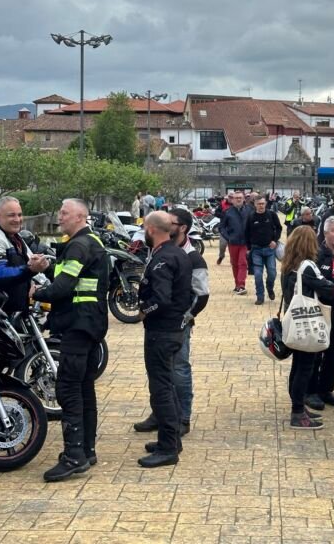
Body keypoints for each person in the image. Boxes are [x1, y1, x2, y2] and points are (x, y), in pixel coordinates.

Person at [33, 199, 109, 482]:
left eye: (64, 213)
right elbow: (71, 276)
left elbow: (64, 287)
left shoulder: (78, 245)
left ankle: (74, 455)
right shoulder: (90, 242)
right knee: (85, 386)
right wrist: (47, 268)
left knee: (68, 388)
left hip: (78, 324)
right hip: (91, 323)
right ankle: (86, 450)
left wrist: (35, 293)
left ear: (80, 217)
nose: (60, 216)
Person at [133, 208, 209, 437]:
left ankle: (182, 417)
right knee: (160, 374)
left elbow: (202, 295)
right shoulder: (161, 250)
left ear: (182, 227)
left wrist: (185, 318)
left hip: (175, 323)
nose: (168, 225)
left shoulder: (192, 257)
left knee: (179, 370)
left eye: (172, 222)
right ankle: (161, 414)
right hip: (162, 323)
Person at [135, 211, 192, 468]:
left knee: (161, 389)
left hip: (162, 331)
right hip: (174, 329)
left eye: (144, 228)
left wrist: (143, 310)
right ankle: (171, 440)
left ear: (151, 229)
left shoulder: (164, 258)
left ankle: (168, 448)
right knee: (166, 385)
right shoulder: (176, 253)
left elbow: (161, 298)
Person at [281, 226, 334, 429]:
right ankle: (297, 412)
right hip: (307, 324)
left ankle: (298, 408)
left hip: (293, 321)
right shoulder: (308, 266)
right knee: (305, 368)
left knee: (297, 366)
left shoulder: (288, 265)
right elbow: (328, 288)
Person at [0, 196, 49, 314]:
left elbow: (27, 262)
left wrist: (32, 281)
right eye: (11, 215)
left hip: (14, 312)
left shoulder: (14, 236)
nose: (17, 219)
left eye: (19, 215)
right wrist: (30, 270)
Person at [305, 216, 334, 410]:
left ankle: (326, 389)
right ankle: (310, 391)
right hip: (319, 310)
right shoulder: (316, 255)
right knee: (315, 352)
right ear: (325, 233)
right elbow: (316, 284)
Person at [245, 195, 282, 305]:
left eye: (262, 203)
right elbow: (246, 233)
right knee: (257, 275)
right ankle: (260, 296)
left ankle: (270, 288)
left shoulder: (272, 215)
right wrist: (248, 248)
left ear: (265, 204)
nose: (261, 206)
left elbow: (279, 228)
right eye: (259, 204)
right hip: (256, 250)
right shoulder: (251, 217)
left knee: (272, 273)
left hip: (269, 249)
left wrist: (275, 240)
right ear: (255, 204)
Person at [218, 191, 250, 295]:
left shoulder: (249, 210)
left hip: (245, 242)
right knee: (235, 264)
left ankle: (241, 285)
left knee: (243, 262)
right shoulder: (227, 212)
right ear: (232, 200)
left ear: (244, 199)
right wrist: (228, 238)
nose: (238, 199)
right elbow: (221, 227)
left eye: (240, 197)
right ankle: (237, 285)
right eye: (236, 198)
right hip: (233, 242)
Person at [215, 191, 233, 265]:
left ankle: (233, 259)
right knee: (222, 244)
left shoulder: (237, 205)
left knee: (233, 245)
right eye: (230, 197)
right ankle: (221, 256)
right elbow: (216, 213)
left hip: (233, 228)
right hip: (224, 228)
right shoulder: (222, 204)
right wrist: (224, 216)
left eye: (232, 197)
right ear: (227, 197)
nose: (231, 198)